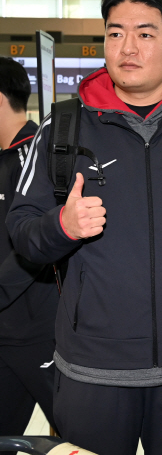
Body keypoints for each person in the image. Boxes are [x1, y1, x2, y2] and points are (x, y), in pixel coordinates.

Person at [7, 0, 162, 455]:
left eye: (146, 33)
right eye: (115, 33)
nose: (128, 47)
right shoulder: (61, 129)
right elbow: (21, 231)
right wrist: (60, 227)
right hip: (91, 373)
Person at [0, 57, 58, 440]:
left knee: (78, 440)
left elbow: (38, 242)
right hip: (3, 334)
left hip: (41, 335)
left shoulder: (39, 158)